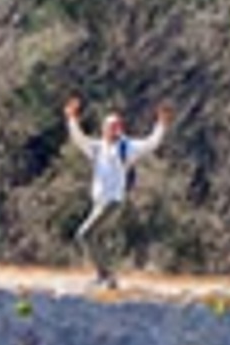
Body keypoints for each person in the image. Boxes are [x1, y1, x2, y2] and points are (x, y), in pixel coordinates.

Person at [64, 96, 172, 288]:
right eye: (111, 126)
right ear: (104, 129)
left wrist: (161, 124)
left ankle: (106, 276)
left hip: (113, 201)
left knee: (85, 234)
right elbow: (79, 139)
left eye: (117, 126)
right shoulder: (97, 148)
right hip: (99, 201)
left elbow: (150, 143)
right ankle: (104, 276)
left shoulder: (127, 147)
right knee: (94, 237)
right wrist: (72, 118)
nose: (114, 129)